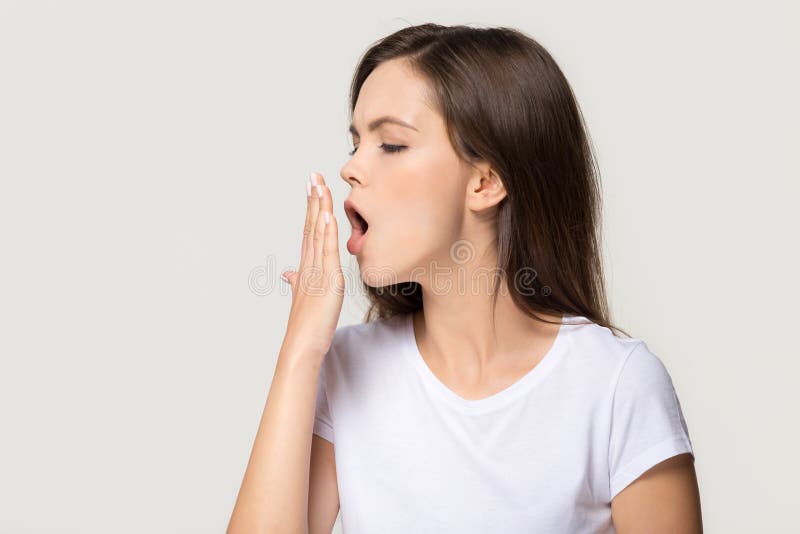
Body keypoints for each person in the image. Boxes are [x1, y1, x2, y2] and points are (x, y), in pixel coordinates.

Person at [227, 23, 702, 534]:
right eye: (355, 144)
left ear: (486, 180)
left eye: (389, 144)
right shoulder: (344, 370)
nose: (352, 169)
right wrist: (299, 353)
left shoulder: (616, 386)